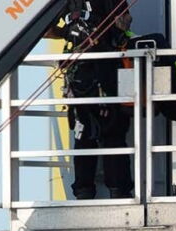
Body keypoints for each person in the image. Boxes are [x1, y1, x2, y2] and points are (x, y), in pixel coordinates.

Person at [54, 1, 135, 200]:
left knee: (84, 135)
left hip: (83, 75)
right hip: (104, 72)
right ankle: (118, 191)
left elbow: (45, 29)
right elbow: (125, 21)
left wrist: (68, 32)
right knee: (111, 134)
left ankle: (85, 192)